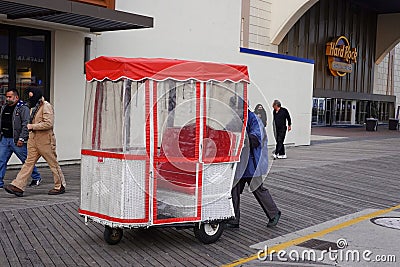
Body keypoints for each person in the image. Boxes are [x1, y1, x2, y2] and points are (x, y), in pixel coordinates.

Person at [4, 88, 66, 197]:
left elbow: (48, 123)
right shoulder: (34, 107)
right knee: (28, 163)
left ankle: (60, 185)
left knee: (53, 163)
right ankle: (18, 186)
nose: (29, 98)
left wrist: (32, 126)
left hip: (45, 140)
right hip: (33, 140)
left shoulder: (45, 106)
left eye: (31, 96)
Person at [228, 109, 281, 228]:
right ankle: (233, 219)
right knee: (233, 190)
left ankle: (274, 213)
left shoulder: (253, 119)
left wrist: (242, 138)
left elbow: (257, 137)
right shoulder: (237, 119)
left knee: (258, 190)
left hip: (251, 163)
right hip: (241, 163)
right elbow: (227, 129)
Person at [0, 89, 41, 188]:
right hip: (5, 139)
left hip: (17, 140)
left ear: (16, 97)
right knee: (1, 160)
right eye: (7, 96)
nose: (7, 99)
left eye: (10, 97)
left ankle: (36, 177)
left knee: (26, 160)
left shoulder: (22, 108)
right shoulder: (4, 107)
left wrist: (22, 138)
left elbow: (25, 124)